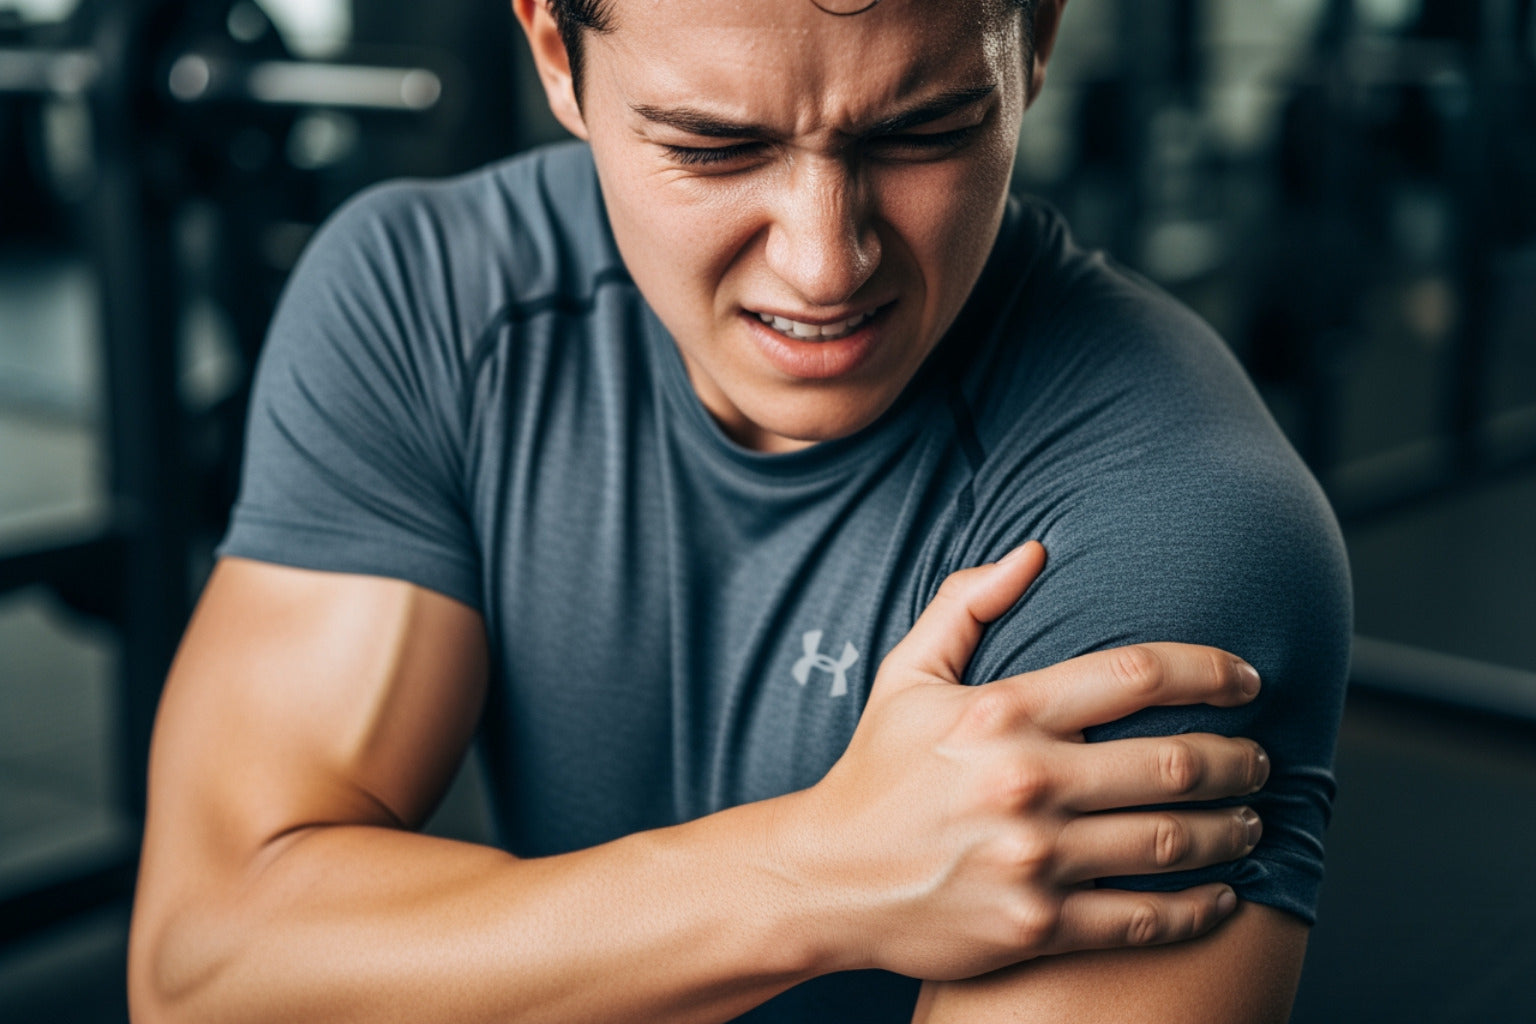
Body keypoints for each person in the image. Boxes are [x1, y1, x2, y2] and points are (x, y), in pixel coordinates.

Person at [127, 0, 1351, 1021]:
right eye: (713, 147)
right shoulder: (424, 300)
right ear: (556, 50)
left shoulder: (1169, 525)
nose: (825, 263)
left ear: (1033, 38)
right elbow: (208, 970)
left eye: (921, 131)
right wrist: (818, 875)